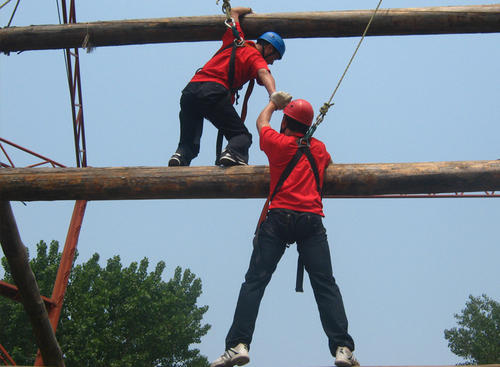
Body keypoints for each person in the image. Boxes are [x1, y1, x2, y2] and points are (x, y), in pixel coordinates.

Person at [210, 98, 359, 367]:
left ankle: (237, 345)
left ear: (285, 122)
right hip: (311, 221)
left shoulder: (278, 144)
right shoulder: (320, 149)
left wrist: (272, 103)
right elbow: (328, 163)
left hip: (278, 220)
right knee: (325, 284)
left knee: (255, 282)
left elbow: (260, 123)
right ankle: (342, 348)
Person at [168, 6, 290, 167]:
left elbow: (233, 12)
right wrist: (273, 94)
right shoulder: (254, 56)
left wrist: (249, 10)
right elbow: (264, 73)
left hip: (190, 91)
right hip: (212, 92)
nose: (272, 62)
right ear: (268, 48)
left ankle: (180, 156)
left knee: (188, 143)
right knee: (242, 137)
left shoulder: (234, 38)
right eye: (274, 57)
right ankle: (232, 154)